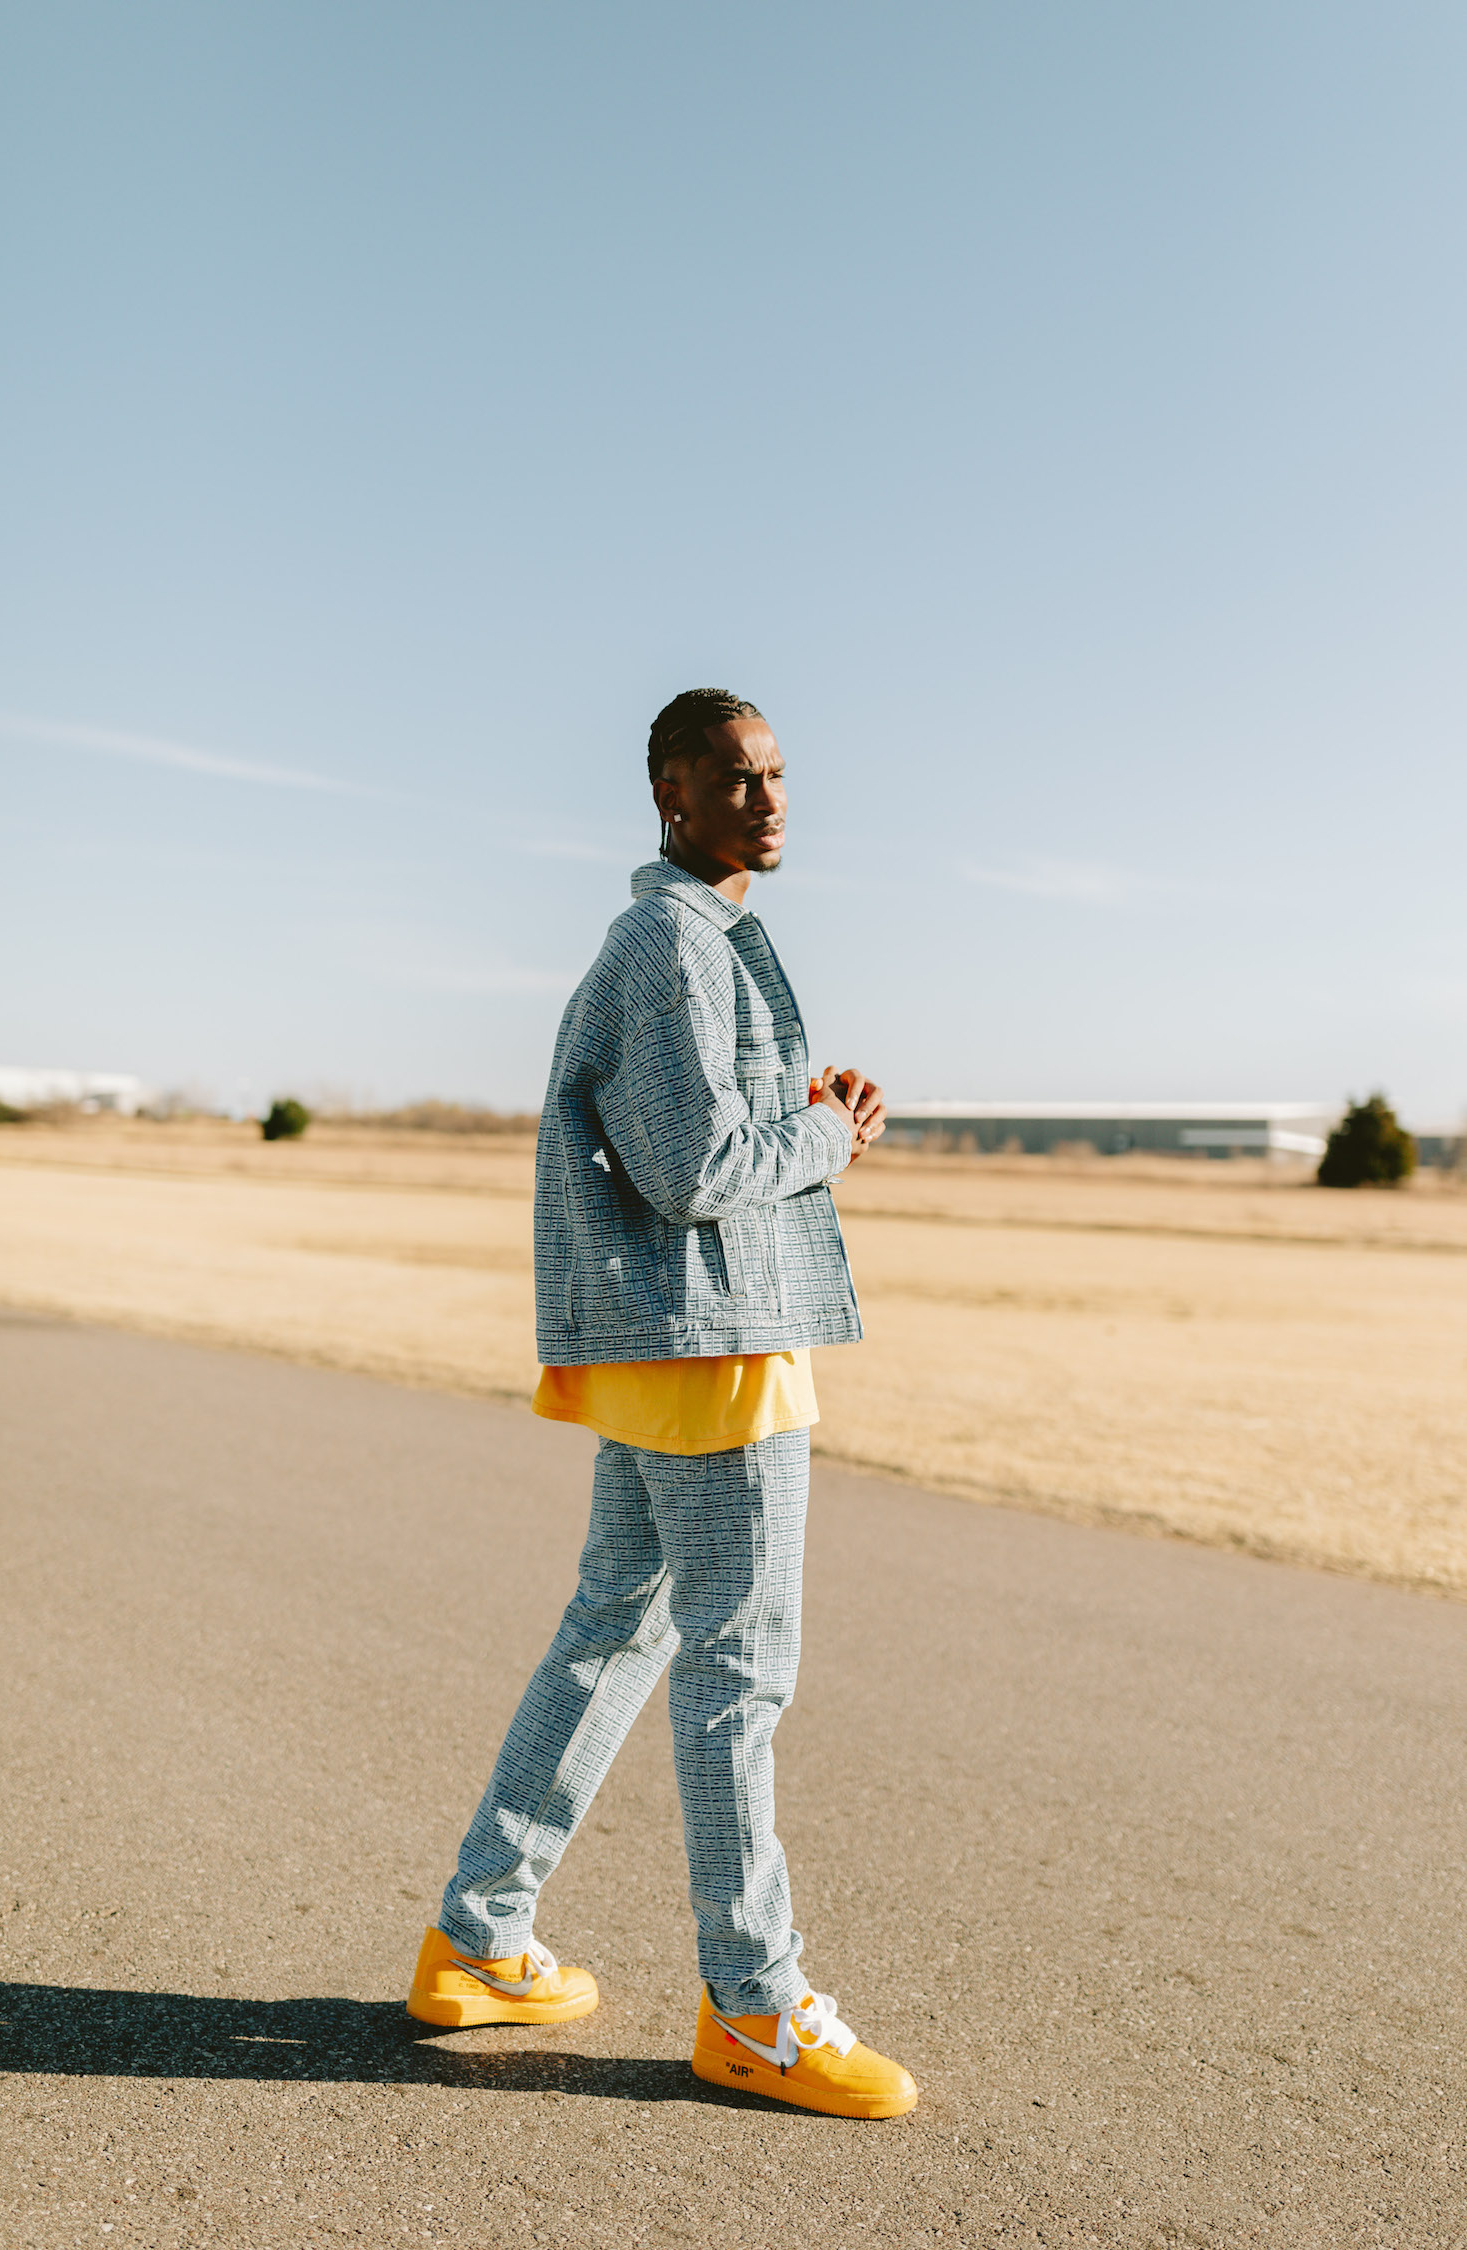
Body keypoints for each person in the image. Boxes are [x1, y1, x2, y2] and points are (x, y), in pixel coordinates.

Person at [406, 688, 917, 2120]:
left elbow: (685, 1143)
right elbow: (697, 1168)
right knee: (736, 1677)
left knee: (612, 1633)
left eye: (776, 775)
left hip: (679, 1348)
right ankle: (755, 2005)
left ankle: (478, 1934)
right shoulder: (672, 946)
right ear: (671, 798)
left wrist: (804, 1124)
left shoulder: (682, 944)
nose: (766, 799)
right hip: (720, 1352)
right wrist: (829, 1134)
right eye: (733, 779)